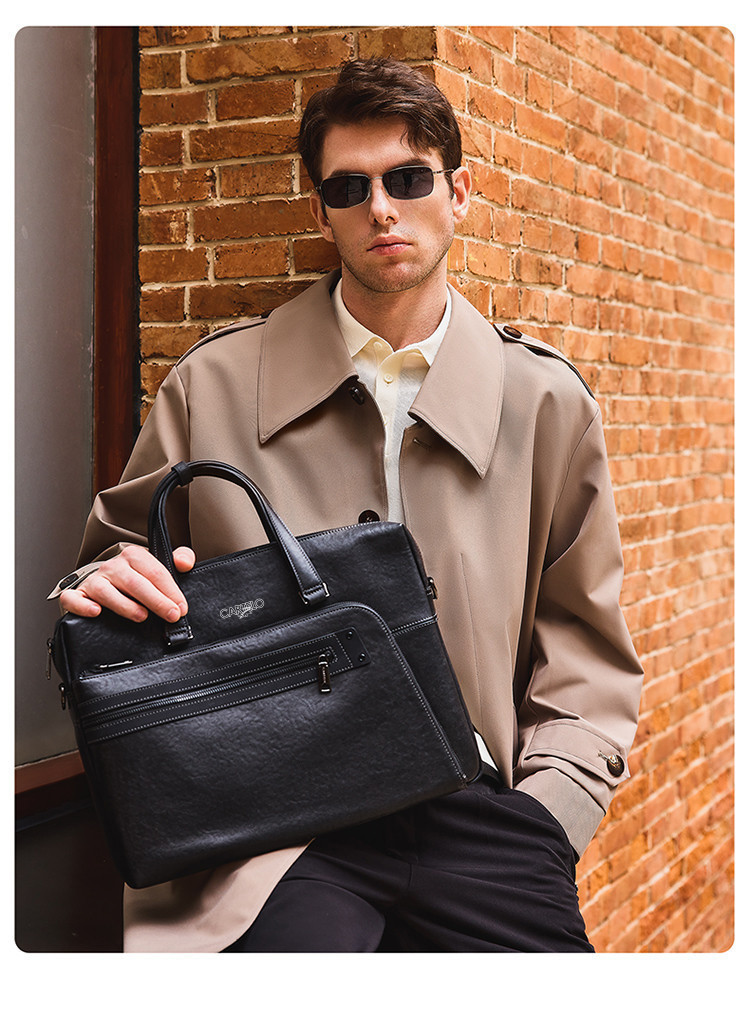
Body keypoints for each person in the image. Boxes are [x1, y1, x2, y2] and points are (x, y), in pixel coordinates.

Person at [51, 58, 643, 952]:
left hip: (486, 814)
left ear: (458, 193)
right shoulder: (213, 386)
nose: (381, 208)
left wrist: (547, 815)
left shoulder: (545, 403)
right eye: (348, 186)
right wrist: (107, 583)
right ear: (319, 209)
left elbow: (588, 653)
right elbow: (107, 567)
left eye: (408, 179)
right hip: (280, 830)